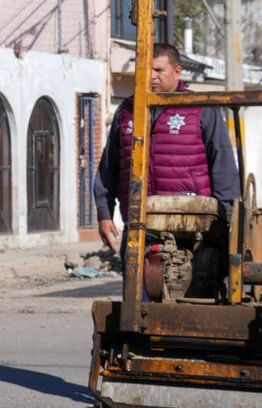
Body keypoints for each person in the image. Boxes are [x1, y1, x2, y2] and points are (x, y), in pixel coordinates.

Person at [93, 41, 240, 297]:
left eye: (159, 69)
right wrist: (104, 213)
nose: (151, 76)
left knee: (195, 310)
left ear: (178, 71)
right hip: (141, 229)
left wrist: (226, 225)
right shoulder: (127, 111)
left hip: (193, 232)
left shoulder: (201, 107)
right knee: (138, 311)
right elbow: (109, 168)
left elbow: (223, 166)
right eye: (145, 69)